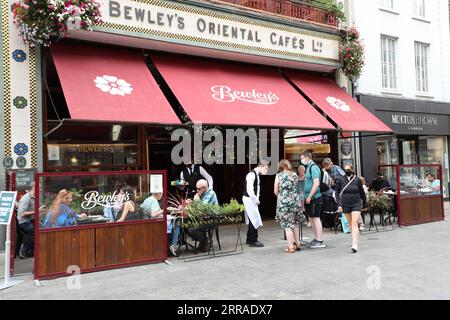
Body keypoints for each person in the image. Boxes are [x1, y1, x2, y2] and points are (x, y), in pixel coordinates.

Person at [335, 164, 368, 253]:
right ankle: (354, 237)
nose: (346, 171)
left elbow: (362, 193)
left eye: (348, 169)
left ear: (352, 170)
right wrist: (339, 204)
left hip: (356, 204)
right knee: (350, 224)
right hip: (345, 204)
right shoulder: (340, 180)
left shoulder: (357, 180)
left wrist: (364, 204)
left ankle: (355, 244)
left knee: (354, 223)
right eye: (345, 169)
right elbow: (336, 193)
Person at [275, 160, 301, 253]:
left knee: (287, 225)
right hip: (295, 200)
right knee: (295, 223)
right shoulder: (294, 175)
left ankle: (290, 247)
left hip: (284, 202)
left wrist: (282, 196)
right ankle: (297, 243)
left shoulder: (279, 175)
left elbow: (275, 190)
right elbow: (296, 187)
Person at [187, 179, 219, 252]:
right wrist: (191, 203)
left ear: (204, 188)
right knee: (186, 227)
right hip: (204, 218)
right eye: (196, 188)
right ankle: (204, 242)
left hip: (212, 219)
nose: (197, 190)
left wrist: (197, 199)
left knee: (192, 230)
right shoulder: (202, 194)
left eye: (198, 189)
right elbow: (198, 209)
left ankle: (205, 241)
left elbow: (202, 207)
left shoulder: (211, 193)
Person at [301, 151, 325, 249]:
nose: (301, 160)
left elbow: (316, 183)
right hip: (309, 198)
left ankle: (320, 240)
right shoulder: (308, 167)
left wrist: (310, 196)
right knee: (311, 218)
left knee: (315, 218)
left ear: (307, 157)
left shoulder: (313, 167)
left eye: (302, 158)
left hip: (314, 198)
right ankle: (316, 238)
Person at [243, 161, 269, 248]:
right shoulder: (251, 175)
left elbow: (257, 188)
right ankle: (253, 240)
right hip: (249, 199)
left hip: (251, 199)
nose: (266, 171)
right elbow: (250, 189)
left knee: (252, 219)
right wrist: (255, 200)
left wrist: (256, 199)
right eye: (266, 168)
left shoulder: (256, 175)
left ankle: (249, 239)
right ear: (261, 166)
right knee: (254, 219)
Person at [17, 182, 37, 258]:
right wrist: (36, 211)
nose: (41, 189)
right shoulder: (26, 198)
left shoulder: (33, 197)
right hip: (23, 222)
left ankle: (31, 250)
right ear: (34, 187)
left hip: (29, 220)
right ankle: (24, 251)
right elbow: (22, 214)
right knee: (34, 232)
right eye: (40, 187)